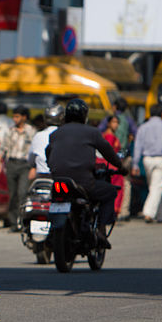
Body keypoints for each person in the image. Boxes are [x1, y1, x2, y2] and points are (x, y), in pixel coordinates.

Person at [46, 98, 125, 248]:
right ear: (84, 115)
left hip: (58, 181)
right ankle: (101, 230)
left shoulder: (55, 134)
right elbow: (108, 152)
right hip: (84, 183)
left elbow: (48, 153)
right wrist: (120, 167)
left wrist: (53, 167)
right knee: (109, 191)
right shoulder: (92, 132)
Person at [132, 104, 162, 223]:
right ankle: (148, 213)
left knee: (154, 186)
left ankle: (160, 215)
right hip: (161, 160)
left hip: (147, 160)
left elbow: (138, 146)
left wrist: (135, 164)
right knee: (157, 187)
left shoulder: (143, 127)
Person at [0, 105, 36, 231]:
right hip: (12, 164)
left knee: (22, 193)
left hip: (25, 165)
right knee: (12, 194)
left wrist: (33, 168)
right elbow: (2, 148)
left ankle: (23, 221)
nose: (15, 119)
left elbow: (35, 151)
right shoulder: (11, 131)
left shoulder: (32, 131)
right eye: (14, 116)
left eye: (17, 116)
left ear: (24, 117)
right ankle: (13, 222)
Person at [98, 97, 137, 221]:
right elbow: (136, 133)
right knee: (125, 183)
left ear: (114, 107)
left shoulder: (108, 120)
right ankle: (123, 211)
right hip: (123, 155)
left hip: (109, 157)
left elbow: (98, 132)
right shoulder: (129, 120)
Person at [28, 103, 65, 180]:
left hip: (41, 176)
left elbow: (31, 158)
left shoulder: (38, 135)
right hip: (59, 176)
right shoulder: (66, 135)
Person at [97, 115, 124, 215]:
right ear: (108, 123)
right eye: (114, 122)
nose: (116, 125)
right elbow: (108, 153)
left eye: (117, 123)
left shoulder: (107, 135)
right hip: (110, 165)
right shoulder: (109, 137)